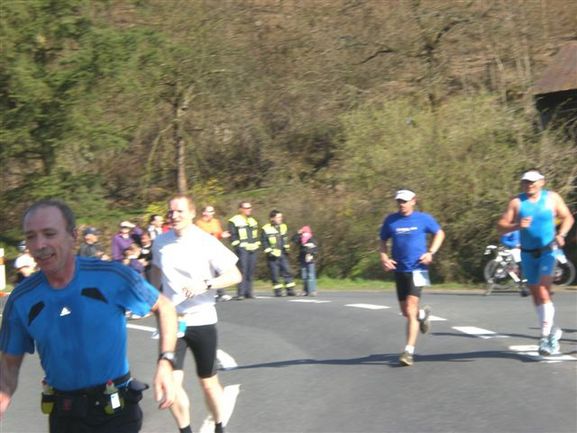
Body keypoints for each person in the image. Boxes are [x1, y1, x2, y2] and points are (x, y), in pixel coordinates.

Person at [0, 199, 177, 432]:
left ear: (73, 236)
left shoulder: (111, 276)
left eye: (49, 234)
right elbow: (8, 366)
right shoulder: (21, 299)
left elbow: (164, 307)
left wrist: (166, 362)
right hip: (65, 415)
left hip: (116, 411)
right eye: (31, 237)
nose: (39, 244)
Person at [150, 194, 242, 433]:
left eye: (180, 211)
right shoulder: (160, 242)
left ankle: (219, 425)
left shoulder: (206, 242)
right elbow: (156, 271)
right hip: (173, 322)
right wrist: (151, 297)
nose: (174, 216)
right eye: (171, 212)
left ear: (192, 213)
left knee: (208, 382)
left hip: (202, 319)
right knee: (171, 382)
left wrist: (206, 284)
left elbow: (235, 275)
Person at [497, 170, 574, 356]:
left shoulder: (552, 198)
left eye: (533, 181)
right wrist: (517, 226)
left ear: (542, 182)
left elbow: (568, 217)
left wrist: (562, 234)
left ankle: (545, 338)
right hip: (527, 254)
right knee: (536, 295)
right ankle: (552, 331)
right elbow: (500, 226)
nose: (529, 184)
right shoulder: (516, 202)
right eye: (526, 181)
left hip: (548, 251)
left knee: (542, 289)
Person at [379, 189, 445, 367]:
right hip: (399, 270)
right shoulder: (391, 220)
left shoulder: (423, 219)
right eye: (399, 201)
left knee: (410, 307)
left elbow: (439, 233)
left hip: (418, 269)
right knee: (406, 312)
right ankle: (422, 315)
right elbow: (382, 240)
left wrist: (431, 252)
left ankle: (408, 352)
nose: (402, 204)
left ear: (413, 201)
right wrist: (384, 258)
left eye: (405, 201)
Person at [196, 206, 232, 301]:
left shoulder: (216, 222)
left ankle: (221, 293)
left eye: (212, 211)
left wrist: (222, 235)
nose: (212, 213)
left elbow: (218, 233)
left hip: (215, 249)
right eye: (209, 211)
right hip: (203, 250)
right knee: (206, 272)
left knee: (218, 271)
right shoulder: (199, 223)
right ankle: (205, 292)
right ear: (204, 213)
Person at [228, 201, 260, 300]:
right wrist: (238, 246)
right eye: (246, 208)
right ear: (240, 209)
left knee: (250, 271)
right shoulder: (234, 220)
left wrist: (257, 245)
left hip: (253, 249)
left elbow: (255, 235)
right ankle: (240, 293)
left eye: (250, 207)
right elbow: (233, 236)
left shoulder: (253, 220)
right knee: (242, 270)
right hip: (242, 249)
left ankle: (249, 292)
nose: (249, 209)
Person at [261, 210, 296, 297]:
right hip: (272, 255)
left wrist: (287, 249)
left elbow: (284, 239)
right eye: (278, 217)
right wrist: (269, 251)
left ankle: (290, 290)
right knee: (275, 273)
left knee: (287, 271)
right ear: (272, 218)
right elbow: (264, 241)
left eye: (281, 217)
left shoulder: (283, 226)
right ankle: (278, 291)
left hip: (282, 253)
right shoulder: (266, 228)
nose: (281, 219)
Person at [499, 230, 529, 297]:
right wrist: (514, 244)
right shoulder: (511, 230)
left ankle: (523, 282)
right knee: (517, 265)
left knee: (521, 265)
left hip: (519, 248)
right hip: (513, 249)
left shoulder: (518, 229)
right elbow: (504, 240)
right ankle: (522, 282)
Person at [292, 226, 318, 297]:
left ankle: (312, 291)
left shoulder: (312, 239)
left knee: (311, 275)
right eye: (303, 233)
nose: (304, 234)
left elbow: (315, 249)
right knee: (304, 276)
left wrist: (310, 254)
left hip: (310, 260)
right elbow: (294, 240)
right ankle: (305, 291)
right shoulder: (301, 239)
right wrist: (297, 233)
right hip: (302, 259)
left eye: (305, 232)